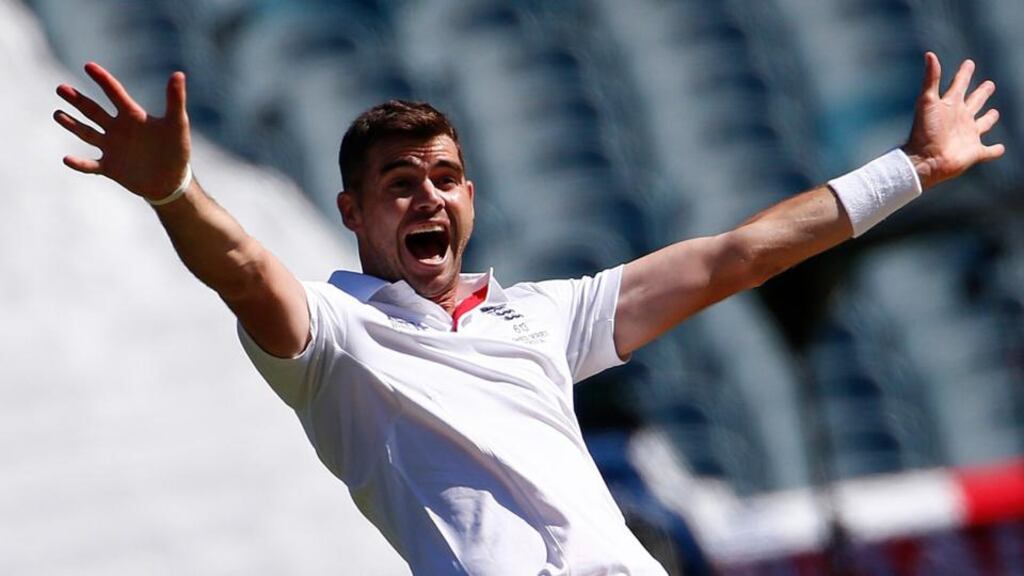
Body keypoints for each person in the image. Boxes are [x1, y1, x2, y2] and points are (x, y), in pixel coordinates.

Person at [54, 53, 1003, 574]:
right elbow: (241, 268)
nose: (428, 196)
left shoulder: (545, 316)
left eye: (445, 177)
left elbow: (735, 256)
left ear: (470, 197)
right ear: (352, 211)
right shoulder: (334, 338)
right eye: (399, 183)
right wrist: (174, 191)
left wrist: (911, 168)